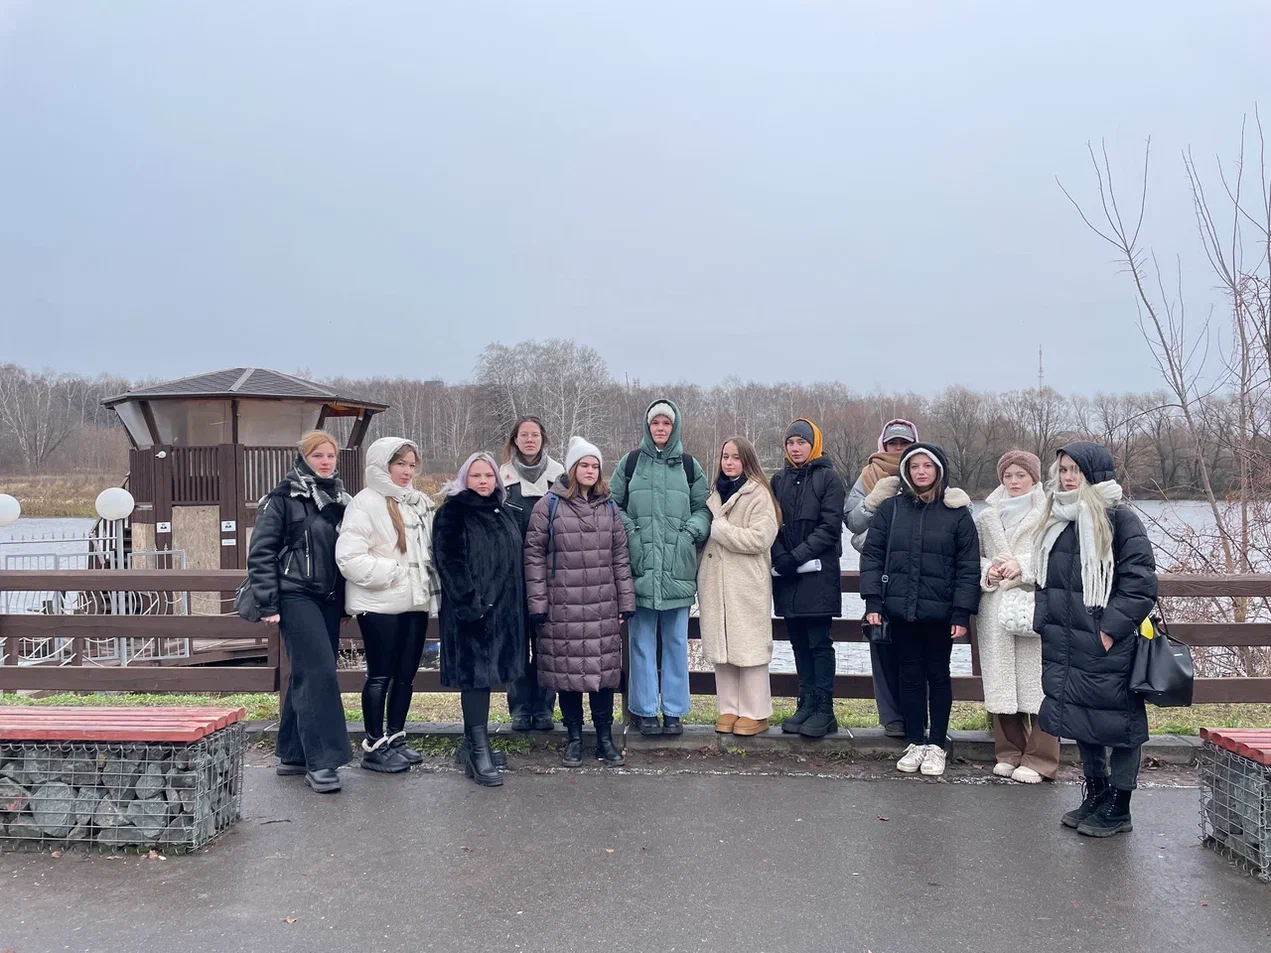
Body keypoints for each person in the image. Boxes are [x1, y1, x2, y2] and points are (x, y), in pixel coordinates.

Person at [1035, 442, 1157, 836]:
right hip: (1066, 641)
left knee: (1119, 723)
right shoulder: (1058, 518)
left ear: (1096, 474)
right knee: (1081, 718)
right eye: (1063, 469)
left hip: (1107, 643)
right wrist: (1043, 622)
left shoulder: (1120, 519)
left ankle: (1120, 806)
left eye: (1077, 470)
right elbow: (1044, 578)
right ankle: (1097, 792)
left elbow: (1140, 585)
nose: (1068, 477)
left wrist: (1109, 631)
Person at [860, 442, 980, 778]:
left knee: (938, 676)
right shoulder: (891, 509)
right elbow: (872, 556)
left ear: (939, 470)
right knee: (908, 676)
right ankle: (916, 741)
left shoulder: (957, 514)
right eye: (915, 467)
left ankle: (937, 744)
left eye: (927, 466)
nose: (921, 472)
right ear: (906, 472)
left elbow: (968, 567)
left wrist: (961, 612)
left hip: (940, 613)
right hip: (900, 609)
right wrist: (873, 601)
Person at [246, 430, 353, 794]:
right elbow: (261, 552)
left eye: (330, 456)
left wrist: (347, 598)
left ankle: (293, 753)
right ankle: (321, 761)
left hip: (329, 598)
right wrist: (268, 603)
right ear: (303, 458)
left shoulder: (341, 499)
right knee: (319, 672)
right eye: (317, 455)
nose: (325, 462)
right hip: (295, 595)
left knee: (308, 672)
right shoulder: (281, 498)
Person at [523, 437, 636, 766]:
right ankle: (573, 738)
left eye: (595, 466)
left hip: (602, 605)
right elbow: (534, 556)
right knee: (567, 676)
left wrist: (625, 602)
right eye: (584, 465)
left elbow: (620, 556)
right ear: (572, 468)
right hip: (563, 606)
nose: (590, 470)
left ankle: (604, 738)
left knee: (603, 676)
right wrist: (538, 604)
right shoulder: (549, 505)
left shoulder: (609, 507)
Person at [335, 437, 441, 774]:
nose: (407, 471)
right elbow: (348, 557)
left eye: (411, 465)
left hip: (414, 601)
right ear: (383, 465)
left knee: (406, 675)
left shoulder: (417, 503)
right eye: (400, 464)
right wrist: (393, 572)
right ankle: (374, 744)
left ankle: (395, 736)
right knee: (380, 675)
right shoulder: (364, 503)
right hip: (379, 603)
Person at [610, 398, 711, 736]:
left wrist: (689, 533)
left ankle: (674, 711)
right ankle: (644, 711)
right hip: (640, 567)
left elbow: (704, 509)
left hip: (676, 569)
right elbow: (613, 505)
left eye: (666, 423)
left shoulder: (689, 466)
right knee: (640, 643)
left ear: (675, 426)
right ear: (647, 426)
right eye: (655, 423)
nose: (661, 428)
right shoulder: (630, 463)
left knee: (676, 642)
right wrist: (631, 532)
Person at [432, 452, 527, 788]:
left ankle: (470, 743)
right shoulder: (453, 511)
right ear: (464, 479)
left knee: (487, 678)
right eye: (476, 476)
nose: (484, 482)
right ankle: (478, 751)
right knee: (476, 679)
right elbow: (449, 561)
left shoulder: (502, 510)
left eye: (488, 476)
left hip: (503, 613)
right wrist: (472, 605)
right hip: (472, 615)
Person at [974, 450, 1058, 784]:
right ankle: (1009, 752)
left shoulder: (1049, 513)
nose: (1014, 481)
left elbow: (1056, 556)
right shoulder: (987, 516)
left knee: (1038, 683)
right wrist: (988, 572)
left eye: (1020, 475)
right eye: (1008, 475)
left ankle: (1041, 758)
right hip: (995, 606)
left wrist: (1021, 566)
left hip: (1032, 603)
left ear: (1034, 477)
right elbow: (974, 556)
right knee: (1001, 681)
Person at [698, 437, 781, 735]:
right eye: (725, 457)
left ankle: (755, 712)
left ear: (747, 460)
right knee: (723, 648)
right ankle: (729, 708)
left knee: (749, 648)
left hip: (745, 582)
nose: (729, 462)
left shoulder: (759, 494)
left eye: (735, 457)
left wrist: (722, 530)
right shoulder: (714, 494)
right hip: (715, 581)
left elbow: (761, 538)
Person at [770, 418, 847, 739]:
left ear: (813, 444)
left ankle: (824, 709)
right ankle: (805, 702)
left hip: (818, 575)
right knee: (798, 642)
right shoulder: (778, 480)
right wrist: (780, 556)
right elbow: (770, 522)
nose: (795, 448)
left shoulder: (829, 479)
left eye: (801, 442)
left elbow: (829, 528)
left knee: (818, 642)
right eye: (790, 443)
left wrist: (797, 556)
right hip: (787, 575)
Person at [844, 418, 919, 738]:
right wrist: (873, 500)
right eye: (893, 443)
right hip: (881, 576)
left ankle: (917, 714)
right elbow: (852, 522)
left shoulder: (925, 470)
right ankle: (891, 718)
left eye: (904, 443)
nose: (898, 448)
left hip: (918, 575)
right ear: (883, 444)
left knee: (917, 648)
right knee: (882, 642)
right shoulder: (867, 476)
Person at [499, 416, 566, 732]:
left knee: (547, 644)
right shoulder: (501, 476)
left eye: (534, 435)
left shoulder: (560, 476)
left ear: (543, 439)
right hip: (511, 575)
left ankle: (544, 708)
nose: (529, 440)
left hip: (551, 574)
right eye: (523, 435)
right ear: (515, 439)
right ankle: (519, 708)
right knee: (515, 644)